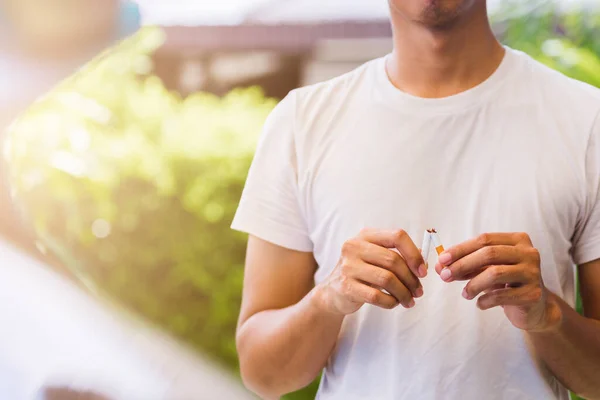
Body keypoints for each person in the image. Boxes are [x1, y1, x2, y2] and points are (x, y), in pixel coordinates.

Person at [231, 0, 600, 399]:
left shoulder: (586, 121)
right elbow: (261, 374)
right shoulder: (301, 124)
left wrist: (548, 315)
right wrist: (329, 299)